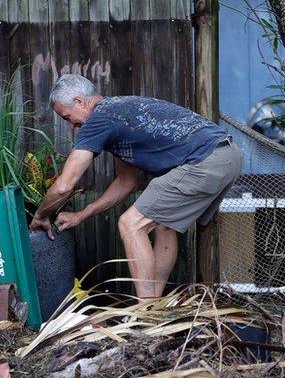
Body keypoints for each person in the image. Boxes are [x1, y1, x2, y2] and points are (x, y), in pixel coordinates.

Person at [29, 74, 242, 299]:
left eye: (67, 117)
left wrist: (41, 215)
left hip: (205, 159)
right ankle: (154, 305)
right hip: (228, 156)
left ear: (81, 102)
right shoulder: (118, 114)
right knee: (164, 225)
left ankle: (145, 313)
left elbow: (64, 186)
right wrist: (81, 215)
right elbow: (126, 182)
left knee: (131, 225)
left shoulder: (99, 118)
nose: (72, 126)